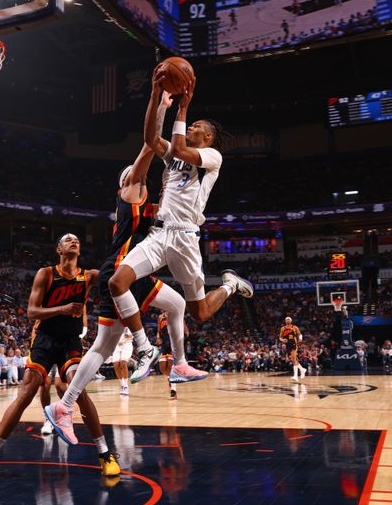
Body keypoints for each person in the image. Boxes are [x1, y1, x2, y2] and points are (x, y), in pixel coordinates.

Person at [45, 92, 212, 446]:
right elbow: (149, 149)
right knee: (157, 317)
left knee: (109, 344)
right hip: (121, 268)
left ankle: (64, 405)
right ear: (127, 182)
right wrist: (163, 108)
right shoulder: (131, 191)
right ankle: (146, 347)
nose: (139, 178)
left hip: (134, 268)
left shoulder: (155, 202)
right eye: (133, 177)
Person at [107, 64, 253, 383]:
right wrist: (156, 95)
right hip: (161, 236)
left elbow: (183, 150)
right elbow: (149, 138)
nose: (192, 126)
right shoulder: (175, 152)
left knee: (199, 313)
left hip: (186, 240)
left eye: (197, 125)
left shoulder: (212, 157)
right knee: (117, 282)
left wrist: (184, 107)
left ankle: (229, 284)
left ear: (209, 136)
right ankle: (146, 349)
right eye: (191, 121)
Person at [0, 233, 120, 481]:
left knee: (79, 389)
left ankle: (105, 454)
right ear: (59, 250)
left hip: (70, 341)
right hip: (44, 339)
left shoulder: (89, 276)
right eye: (67, 240)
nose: (73, 241)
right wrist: (62, 309)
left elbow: (117, 272)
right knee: (27, 392)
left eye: (76, 239)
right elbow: (32, 311)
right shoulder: (46, 273)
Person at [157, 312, 189, 400]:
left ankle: (173, 390)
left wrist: (181, 341)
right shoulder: (161, 316)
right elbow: (159, 330)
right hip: (164, 343)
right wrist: (158, 338)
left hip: (174, 342)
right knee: (162, 368)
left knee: (171, 366)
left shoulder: (178, 315)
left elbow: (186, 332)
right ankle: (170, 378)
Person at [280, 316, 305, 381]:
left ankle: (295, 376)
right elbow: (280, 337)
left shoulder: (294, 327)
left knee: (293, 359)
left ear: (291, 321)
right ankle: (302, 369)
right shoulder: (283, 328)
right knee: (292, 359)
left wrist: (300, 339)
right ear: (285, 321)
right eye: (286, 319)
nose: (287, 320)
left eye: (288, 319)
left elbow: (300, 334)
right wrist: (282, 340)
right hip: (287, 345)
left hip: (294, 343)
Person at [112, 329, 134, 396]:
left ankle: (126, 386)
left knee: (123, 362)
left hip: (127, 344)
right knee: (116, 365)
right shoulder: (114, 323)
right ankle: (122, 385)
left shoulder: (127, 321)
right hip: (116, 345)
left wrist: (129, 336)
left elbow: (132, 335)